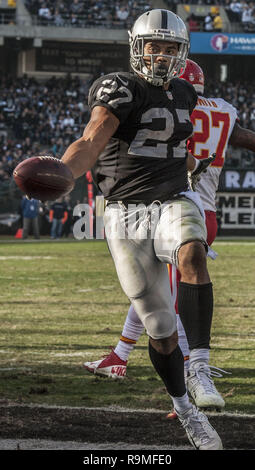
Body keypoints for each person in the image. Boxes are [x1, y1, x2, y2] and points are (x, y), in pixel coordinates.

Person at [59, 10, 223, 450]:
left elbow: (174, 147)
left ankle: (201, 366)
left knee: (192, 251)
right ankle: (186, 409)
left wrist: (194, 166)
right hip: (125, 213)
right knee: (161, 329)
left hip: (173, 199)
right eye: (155, 45)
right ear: (137, 47)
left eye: (171, 47)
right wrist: (64, 172)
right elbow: (92, 139)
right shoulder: (120, 87)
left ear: (182, 53)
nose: (162, 54)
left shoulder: (185, 91)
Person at [84, 58, 255, 413]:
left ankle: (193, 369)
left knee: (171, 296)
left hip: (178, 201)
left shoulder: (173, 101)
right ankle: (124, 354)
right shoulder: (223, 110)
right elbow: (241, 139)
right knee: (153, 288)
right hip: (201, 206)